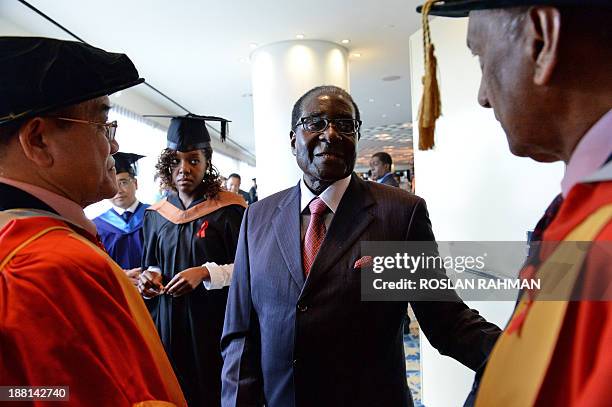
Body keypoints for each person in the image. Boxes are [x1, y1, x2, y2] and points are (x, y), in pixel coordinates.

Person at [221, 85, 501, 407]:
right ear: (292, 139)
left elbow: (446, 321)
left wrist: (520, 355)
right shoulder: (258, 217)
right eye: (315, 123)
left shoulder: (399, 215)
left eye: (344, 125)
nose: (330, 134)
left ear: (357, 137)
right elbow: (240, 335)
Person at [416, 1, 612, 406]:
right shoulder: (577, 209)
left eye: (481, 57)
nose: (483, 95)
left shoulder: (603, 235)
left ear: (543, 41)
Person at [0, 37, 185, 406]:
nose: (113, 146)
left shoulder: (20, 244)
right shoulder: (50, 266)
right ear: (38, 141)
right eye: (102, 125)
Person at [139, 114, 247, 406]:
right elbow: (153, 263)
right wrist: (149, 277)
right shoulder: (156, 214)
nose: (183, 169)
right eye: (175, 161)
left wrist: (205, 273)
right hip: (169, 325)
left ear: (207, 162)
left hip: (213, 322)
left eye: (193, 160)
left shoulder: (230, 210)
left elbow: (250, 270)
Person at [93, 152, 148, 285]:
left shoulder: (156, 216)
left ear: (135, 183)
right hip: (118, 291)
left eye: (123, 182)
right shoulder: (96, 226)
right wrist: (120, 276)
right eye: (112, 183)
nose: (118, 190)